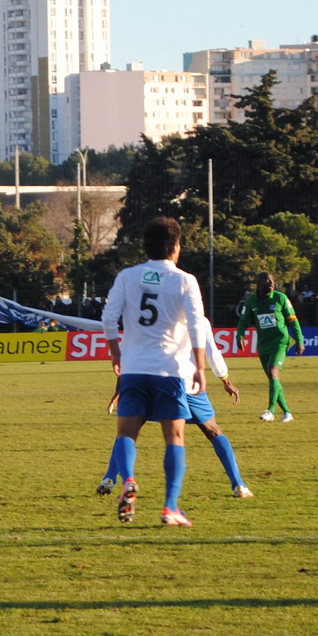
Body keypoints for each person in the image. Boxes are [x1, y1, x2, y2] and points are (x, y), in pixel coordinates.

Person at [101, 216, 208, 527]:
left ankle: (129, 478)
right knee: (174, 437)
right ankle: (170, 507)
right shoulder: (185, 280)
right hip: (170, 371)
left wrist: (117, 354)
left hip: (133, 370)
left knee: (126, 434)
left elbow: (109, 319)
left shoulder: (127, 276)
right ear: (175, 246)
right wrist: (200, 368)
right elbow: (197, 325)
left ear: (145, 247)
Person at [97, 327, 253, 499]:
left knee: (128, 431)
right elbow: (212, 352)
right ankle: (238, 484)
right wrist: (225, 380)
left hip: (152, 383)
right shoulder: (199, 320)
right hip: (188, 385)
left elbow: (134, 351)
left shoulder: (159, 317)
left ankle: (109, 478)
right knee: (213, 430)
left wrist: (121, 387)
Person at [235, 272, 305, 422]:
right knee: (273, 378)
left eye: (272, 282)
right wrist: (239, 335)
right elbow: (243, 322)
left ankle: (271, 411)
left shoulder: (281, 298)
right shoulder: (252, 302)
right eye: (267, 283)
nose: (271, 285)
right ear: (259, 285)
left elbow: (293, 320)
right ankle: (287, 412)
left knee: (273, 371)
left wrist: (299, 340)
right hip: (263, 344)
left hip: (280, 341)